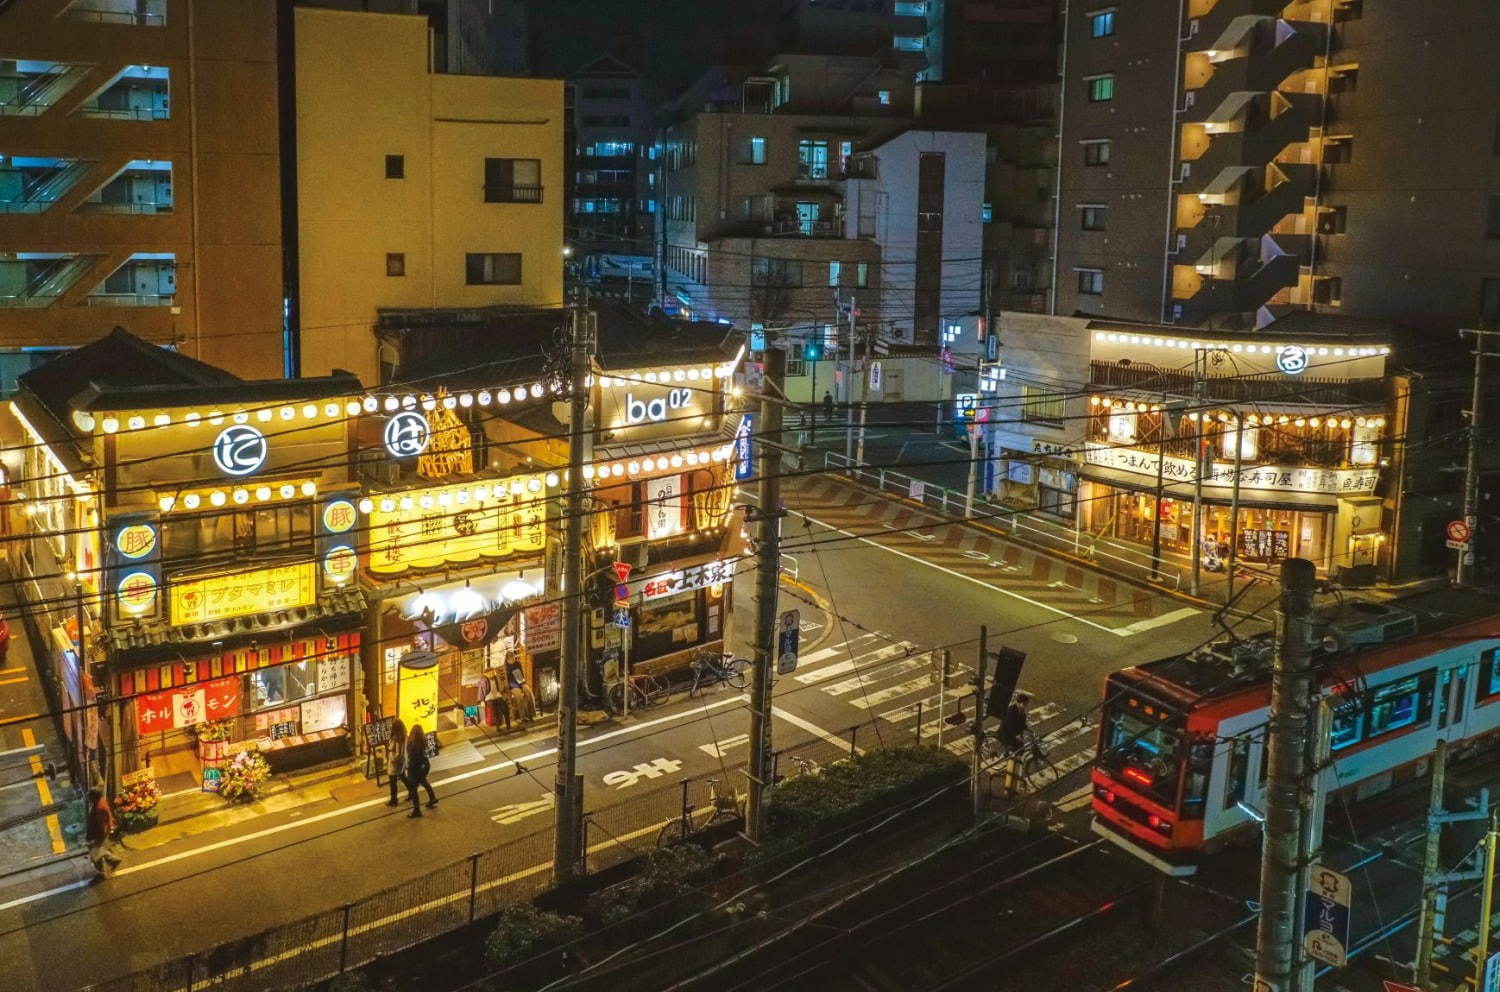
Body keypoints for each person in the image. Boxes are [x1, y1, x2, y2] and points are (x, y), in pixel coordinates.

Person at [85, 788, 122, 879]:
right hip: (102, 831)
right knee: (99, 850)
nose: (88, 798)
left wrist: (94, 837)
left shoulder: (98, 808)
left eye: (89, 796)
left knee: (95, 853)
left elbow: (99, 824)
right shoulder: (101, 801)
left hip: (99, 833)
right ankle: (113, 861)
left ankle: (102, 870)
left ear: (94, 797)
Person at [405, 724, 437, 817]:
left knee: (413, 789)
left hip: (414, 769)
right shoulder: (422, 742)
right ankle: (432, 798)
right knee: (424, 782)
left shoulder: (412, 744)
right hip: (422, 767)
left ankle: (417, 810)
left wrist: (408, 767)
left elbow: (411, 757)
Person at [384, 718, 407, 807]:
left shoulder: (397, 738)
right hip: (400, 763)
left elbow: (398, 754)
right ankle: (412, 793)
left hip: (395, 764)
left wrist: (391, 758)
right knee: (403, 778)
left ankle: (394, 800)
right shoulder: (402, 736)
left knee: (393, 783)